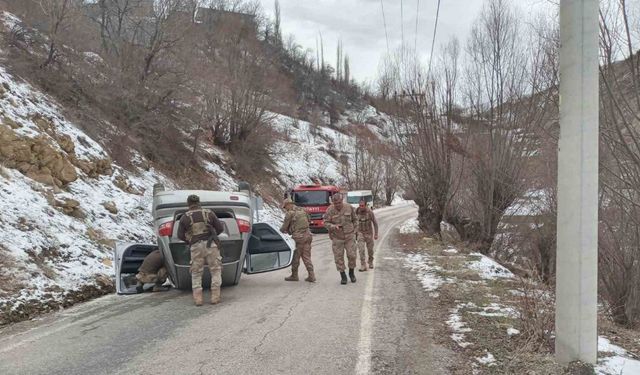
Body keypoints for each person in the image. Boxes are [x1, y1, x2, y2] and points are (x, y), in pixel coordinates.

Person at [177, 194, 224, 306]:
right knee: (216, 270)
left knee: (196, 272)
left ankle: (198, 299)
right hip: (211, 245)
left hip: (196, 246)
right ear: (199, 203)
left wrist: (189, 240)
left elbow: (179, 235)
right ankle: (215, 297)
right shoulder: (209, 213)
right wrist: (213, 234)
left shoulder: (185, 217)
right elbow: (220, 229)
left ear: (188, 204)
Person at [323, 193, 358, 285]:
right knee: (338, 257)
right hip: (337, 237)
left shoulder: (349, 207)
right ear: (333, 203)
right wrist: (333, 226)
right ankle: (343, 275)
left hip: (349, 236)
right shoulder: (330, 210)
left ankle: (351, 272)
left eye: (339, 202)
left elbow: (355, 219)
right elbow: (325, 223)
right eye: (335, 203)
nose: (337, 205)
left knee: (352, 255)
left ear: (342, 201)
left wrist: (355, 231)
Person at [280, 198, 315, 283]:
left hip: (298, 238)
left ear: (288, 204)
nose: (285, 209)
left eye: (285, 207)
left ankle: (294, 275)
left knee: (295, 256)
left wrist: (281, 230)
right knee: (306, 256)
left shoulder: (290, 214)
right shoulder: (303, 210)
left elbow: (284, 227)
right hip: (308, 235)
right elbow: (309, 221)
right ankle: (311, 275)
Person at [356, 199, 379, 272]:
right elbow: (352, 222)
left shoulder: (370, 212)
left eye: (362, 205)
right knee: (361, 249)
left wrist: (376, 234)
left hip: (369, 233)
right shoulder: (356, 212)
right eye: (360, 205)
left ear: (365, 205)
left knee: (370, 250)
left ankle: (370, 261)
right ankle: (363, 265)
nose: (361, 207)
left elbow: (375, 223)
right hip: (360, 233)